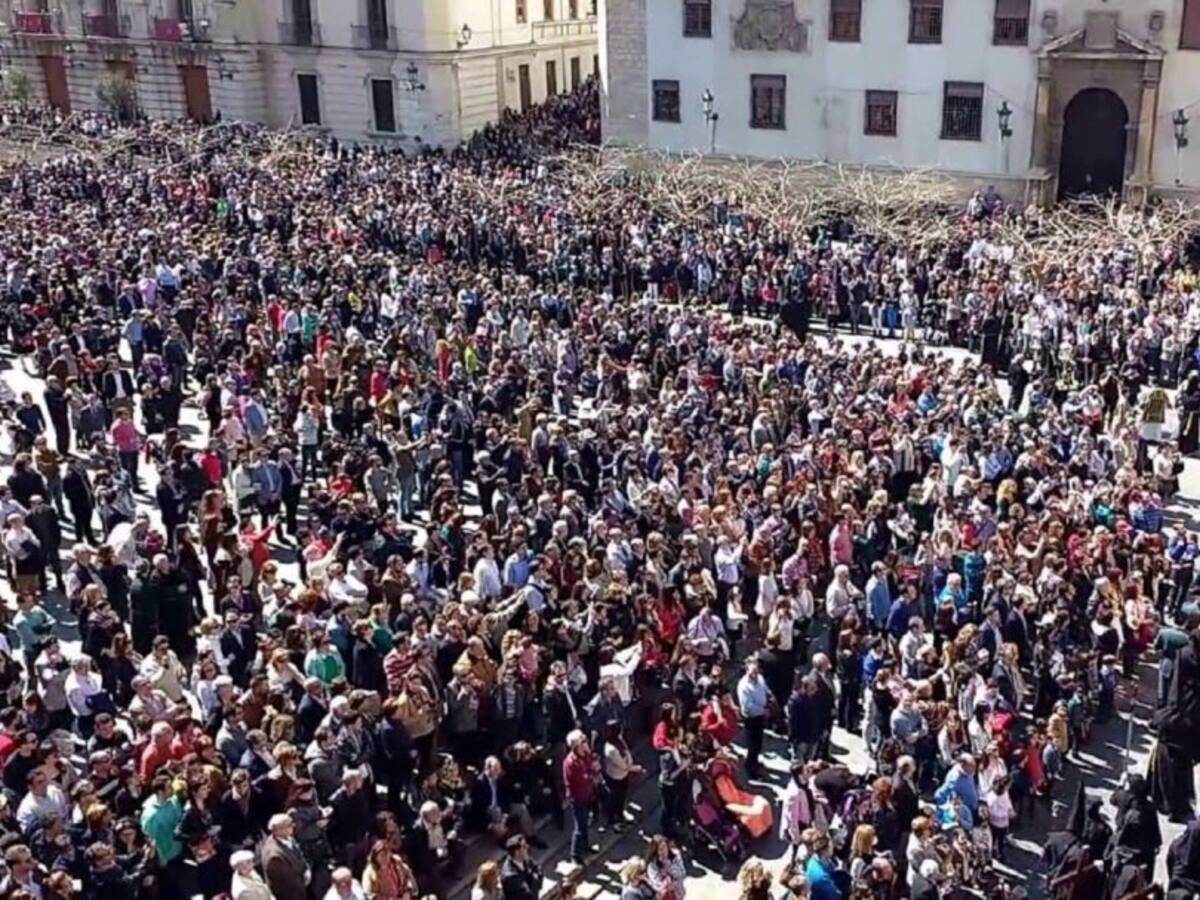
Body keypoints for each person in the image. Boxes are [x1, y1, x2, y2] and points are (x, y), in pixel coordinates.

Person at [563, 729, 597, 864]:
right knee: (579, 826)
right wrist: (592, 774)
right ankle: (575, 854)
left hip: (587, 793)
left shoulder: (585, 754)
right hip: (578, 797)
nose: (586, 742)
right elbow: (582, 778)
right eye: (583, 741)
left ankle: (586, 846)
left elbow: (592, 765)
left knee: (585, 824)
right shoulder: (571, 762)